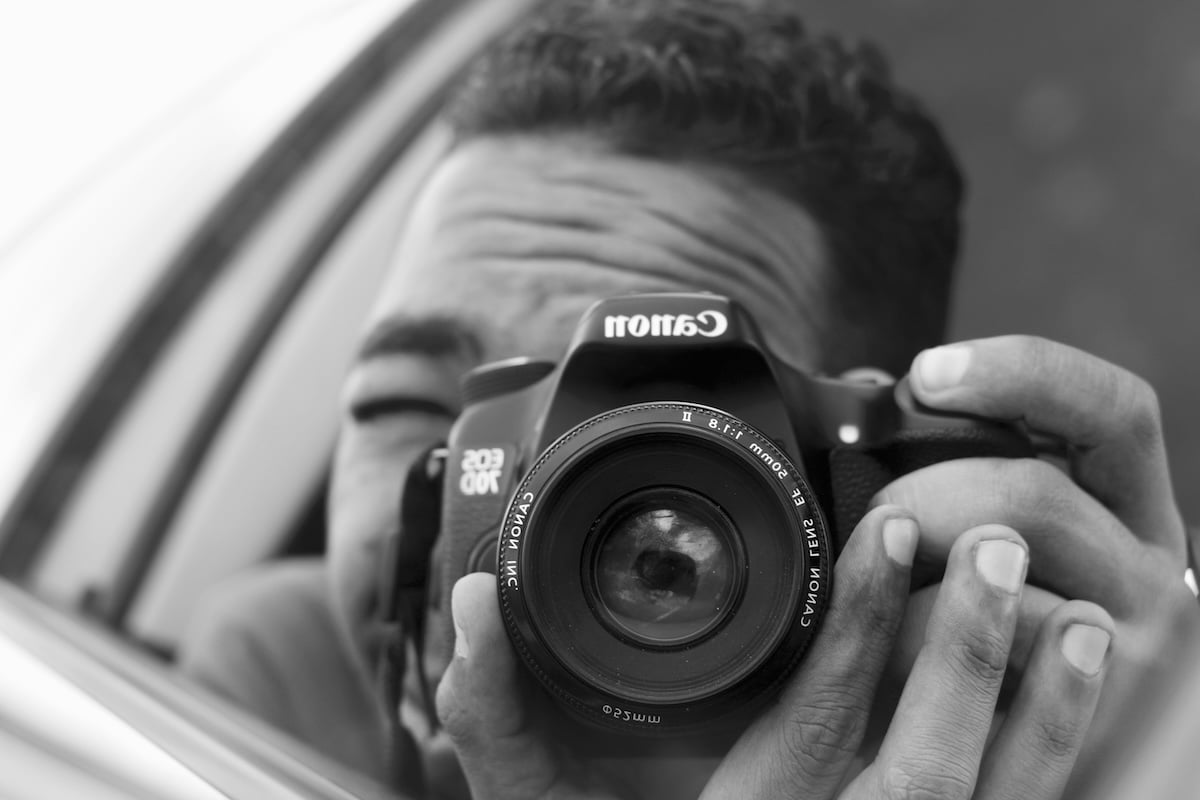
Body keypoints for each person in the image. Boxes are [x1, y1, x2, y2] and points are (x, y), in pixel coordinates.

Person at [179, 1, 1199, 798]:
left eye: (643, 438)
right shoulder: (286, 682)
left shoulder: (976, 721)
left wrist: (1160, 747)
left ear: (866, 499)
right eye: (405, 402)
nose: (500, 513)